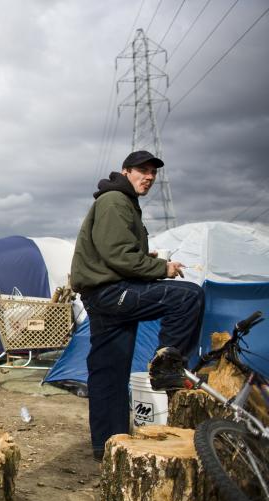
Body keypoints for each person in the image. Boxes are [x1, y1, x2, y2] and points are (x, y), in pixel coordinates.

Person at [70, 151, 205, 461]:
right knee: (188, 296)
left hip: (102, 292)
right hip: (110, 291)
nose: (149, 177)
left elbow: (118, 253)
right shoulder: (116, 201)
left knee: (109, 371)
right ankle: (166, 368)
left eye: (153, 173)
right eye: (142, 171)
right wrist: (163, 268)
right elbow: (118, 256)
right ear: (125, 171)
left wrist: (149, 259)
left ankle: (108, 447)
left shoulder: (122, 202)